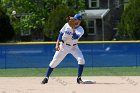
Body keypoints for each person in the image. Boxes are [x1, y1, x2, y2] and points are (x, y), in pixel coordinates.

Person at [41, 14, 85, 84]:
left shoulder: (81, 29)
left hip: (74, 47)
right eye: (76, 20)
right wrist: (57, 44)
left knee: (81, 60)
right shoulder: (67, 25)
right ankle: (46, 77)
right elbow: (61, 33)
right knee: (54, 62)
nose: (77, 21)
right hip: (63, 46)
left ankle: (79, 79)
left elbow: (75, 37)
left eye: (79, 20)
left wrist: (73, 28)